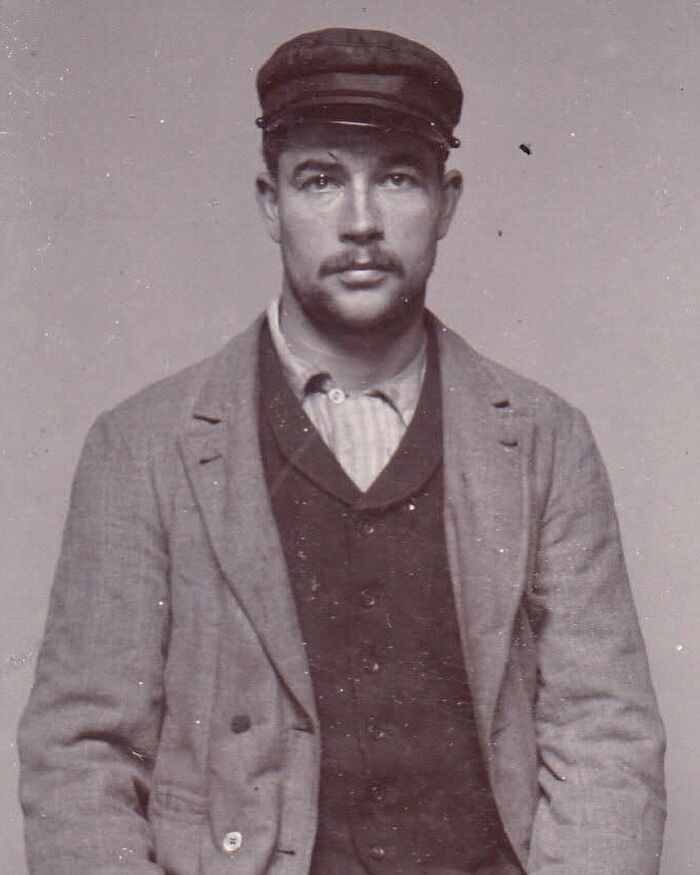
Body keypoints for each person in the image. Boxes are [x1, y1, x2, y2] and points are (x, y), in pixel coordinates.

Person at [18, 27, 665, 875]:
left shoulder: (544, 439)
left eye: (397, 177)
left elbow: (605, 737)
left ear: (448, 201)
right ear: (269, 202)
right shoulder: (143, 447)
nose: (361, 222)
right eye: (320, 181)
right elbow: (79, 759)